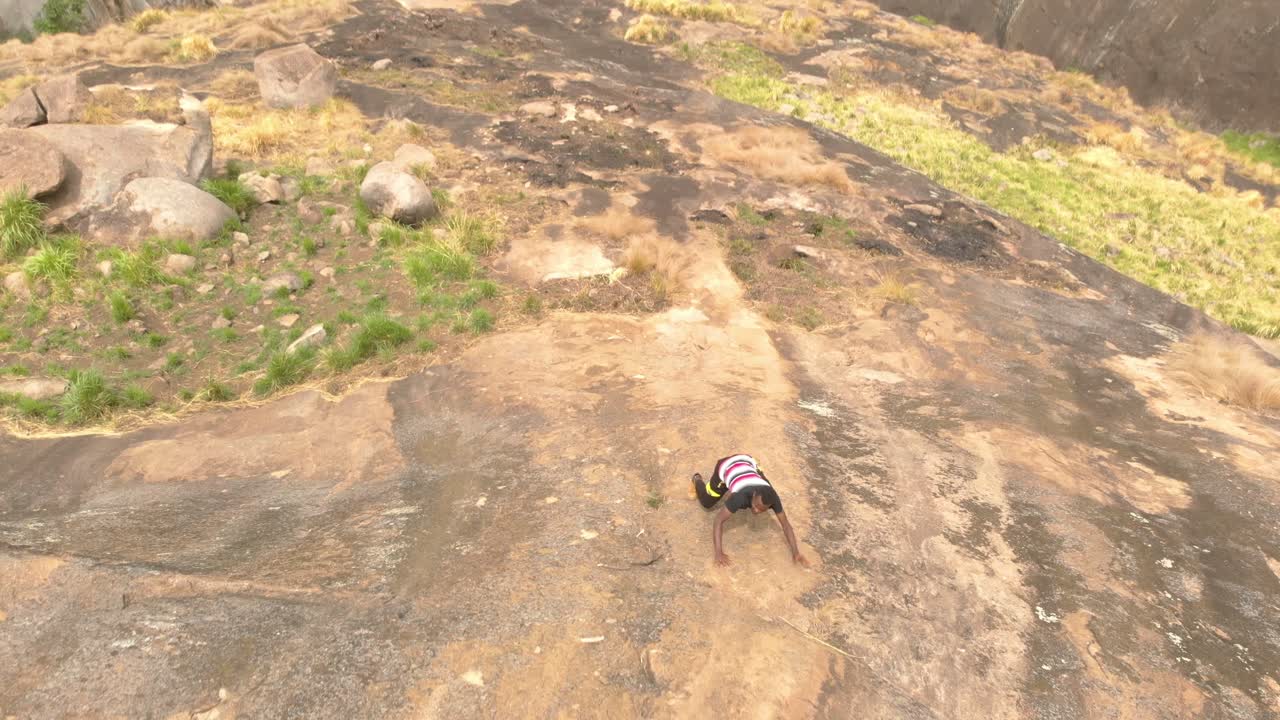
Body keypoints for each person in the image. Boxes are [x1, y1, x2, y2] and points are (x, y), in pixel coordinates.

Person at [692, 453, 809, 567]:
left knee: (764, 484)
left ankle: (735, 483)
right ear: (753, 495)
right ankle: (697, 479)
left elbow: (786, 525)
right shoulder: (740, 497)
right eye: (756, 505)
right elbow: (718, 521)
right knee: (707, 502)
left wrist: (796, 552)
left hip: (748, 460)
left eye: (762, 509)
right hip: (726, 465)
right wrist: (718, 552)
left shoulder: (772, 497)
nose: (757, 511)